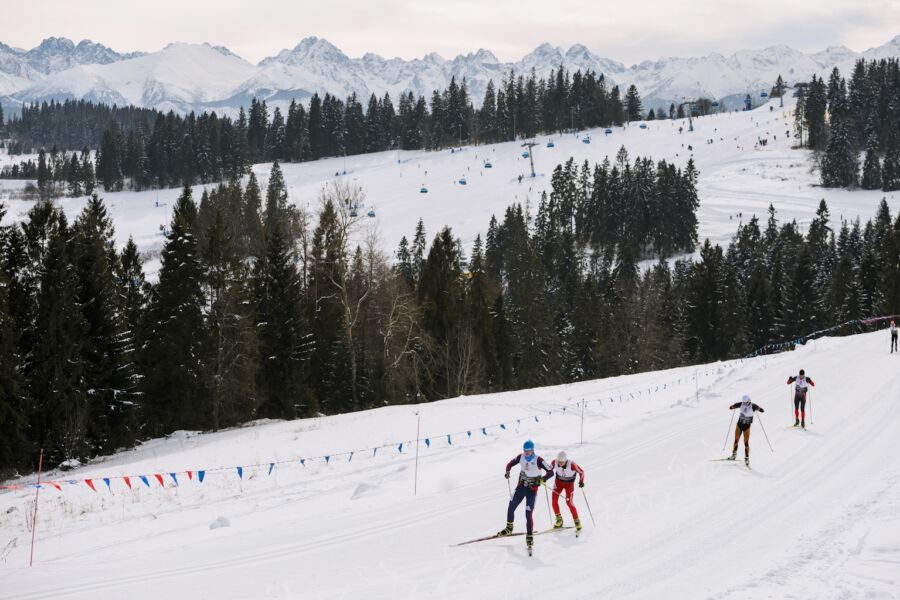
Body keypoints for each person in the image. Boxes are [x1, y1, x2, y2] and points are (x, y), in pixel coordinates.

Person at [498, 440, 553, 551]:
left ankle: (529, 535)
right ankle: (509, 528)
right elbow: (509, 464)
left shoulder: (538, 460)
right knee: (511, 506)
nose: (526, 453)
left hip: (532, 490)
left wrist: (543, 479)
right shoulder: (521, 457)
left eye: (528, 451)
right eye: (525, 450)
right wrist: (507, 472)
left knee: (528, 514)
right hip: (521, 487)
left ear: (533, 450)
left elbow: (551, 472)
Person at [550, 451, 584, 532]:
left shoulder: (571, 464)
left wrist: (581, 481)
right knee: (554, 500)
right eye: (559, 461)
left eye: (562, 462)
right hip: (558, 483)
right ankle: (559, 520)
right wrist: (542, 477)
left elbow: (581, 472)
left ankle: (577, 521)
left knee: (569, 502)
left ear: (565, 460)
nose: (560, 463)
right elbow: (548, 470)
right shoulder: (554, 462)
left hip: (569, 485)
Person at [728, 394, 765, 466]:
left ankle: (747, 458)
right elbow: (733, 406)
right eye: (744, 403)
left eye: (746, 402)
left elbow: (761, 410)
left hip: (747, 427)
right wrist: (732, 407)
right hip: (739, 425)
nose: (745, 404)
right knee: (736, 440)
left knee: (746, 443)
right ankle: (734, 455)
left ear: (749, 400)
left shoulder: (753, 406)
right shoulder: (741, 404)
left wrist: (759, 409)